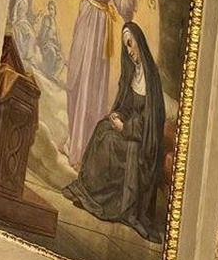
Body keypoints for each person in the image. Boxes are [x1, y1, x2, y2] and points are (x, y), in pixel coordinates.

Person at [62, 22, 165, 242]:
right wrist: (118, 116)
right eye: (126, 47)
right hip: (130, 130)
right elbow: (127, 105)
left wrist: (125, 128)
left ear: (139, 42)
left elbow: (150, 124)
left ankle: (122, 207)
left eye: (131, 44)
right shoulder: (133, 73)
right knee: (103, 129)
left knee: (121, 145)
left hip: (144, 143)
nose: (129, 51)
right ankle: (90, 192)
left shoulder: (151, 78)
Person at [46, 0, 141, 163]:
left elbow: (122, 4)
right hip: (86, 16)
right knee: (76, 78)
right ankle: (73, 139)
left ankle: (83, 148)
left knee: (93, 86)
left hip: (101, 29)